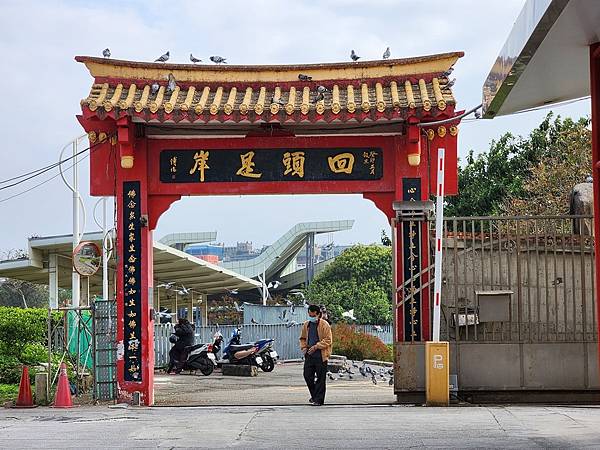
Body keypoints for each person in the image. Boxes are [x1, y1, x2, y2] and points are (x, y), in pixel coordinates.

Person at [299, 304, 332, 406]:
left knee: (321, 379)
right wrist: (304, 347)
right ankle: (314, 396)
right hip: (309, 355)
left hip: (321, 355)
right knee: (307, 376)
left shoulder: (324, 325)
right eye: (309, 315)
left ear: (318, 314)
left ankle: (319, 400)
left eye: (313, 315)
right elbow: (302, 338)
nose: (311, 317)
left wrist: (316, 346)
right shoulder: (306, 325)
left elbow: (328, 340)